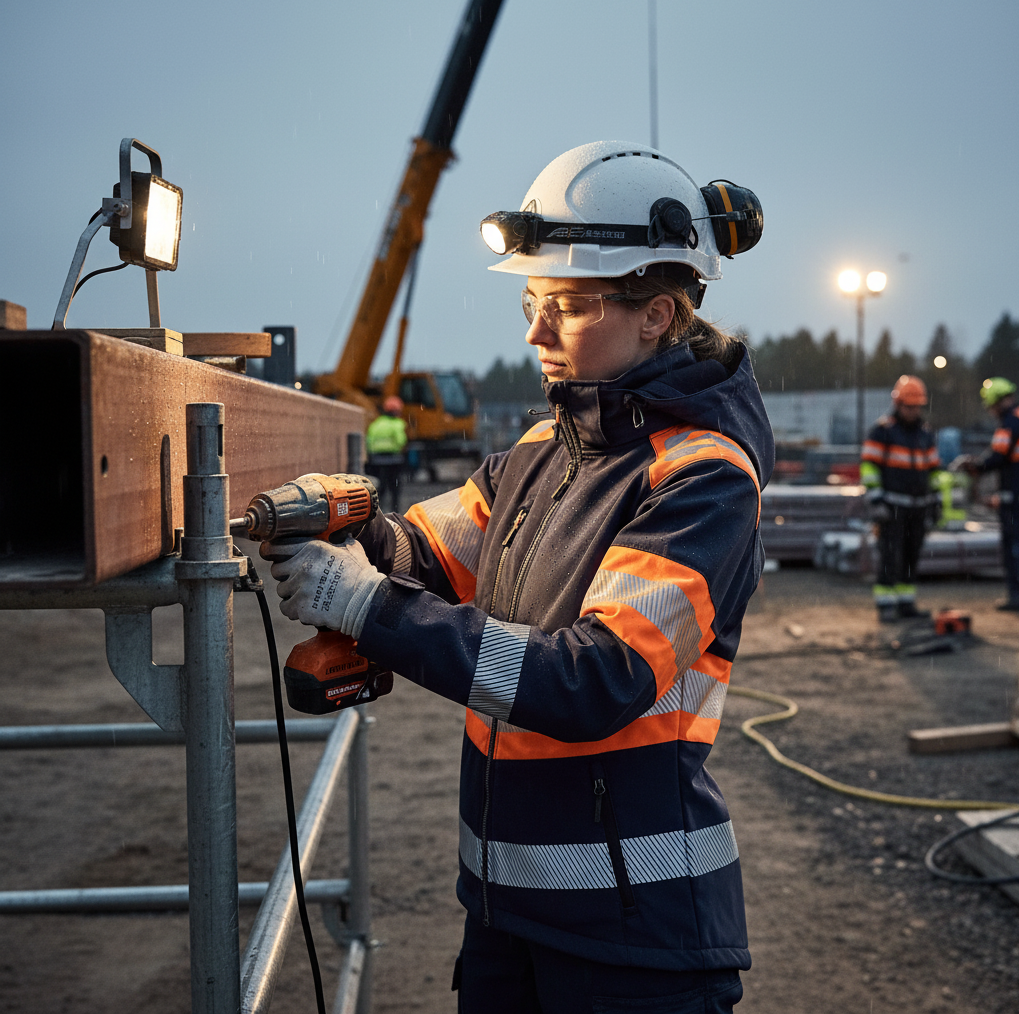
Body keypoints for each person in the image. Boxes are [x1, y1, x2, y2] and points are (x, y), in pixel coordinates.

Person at [267, 141, 772, 1012]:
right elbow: (422, 557)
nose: (534, 332)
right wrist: (335, 529)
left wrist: (363, 602)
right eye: (532, 300)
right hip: (506, 911)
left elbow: (590, 680)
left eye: (567, 308)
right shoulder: (543, 448)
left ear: (657, 313)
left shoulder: (702, 477)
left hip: (635, 938)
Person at [860, 375, 941, 622]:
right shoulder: (882, 431)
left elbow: (934, 471)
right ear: (898, 404)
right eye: (909, 406)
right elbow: (869, 467)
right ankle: (886, 604)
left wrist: (936, 502)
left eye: (917, 406)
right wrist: (876, 501)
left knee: (911, 556)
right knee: (890, 556)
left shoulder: (925, 434)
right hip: (892, 507)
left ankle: (906, 604)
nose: (913, 411)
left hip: (918, 507)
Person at [966, 378, 1019, 611]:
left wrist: (976, 466)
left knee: (1015, 547)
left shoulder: (1010, 423)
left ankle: (1018, 595)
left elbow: (998, 456)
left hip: (1016, 498)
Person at [365, 395, 407, 512]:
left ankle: (378, 513)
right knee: (395, 489)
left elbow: (369, 441)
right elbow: (401, 441)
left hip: (377, 461)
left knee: (379, 489)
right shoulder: (397, 424)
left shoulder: (376, 424)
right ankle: (395, 512)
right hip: (394, 460)